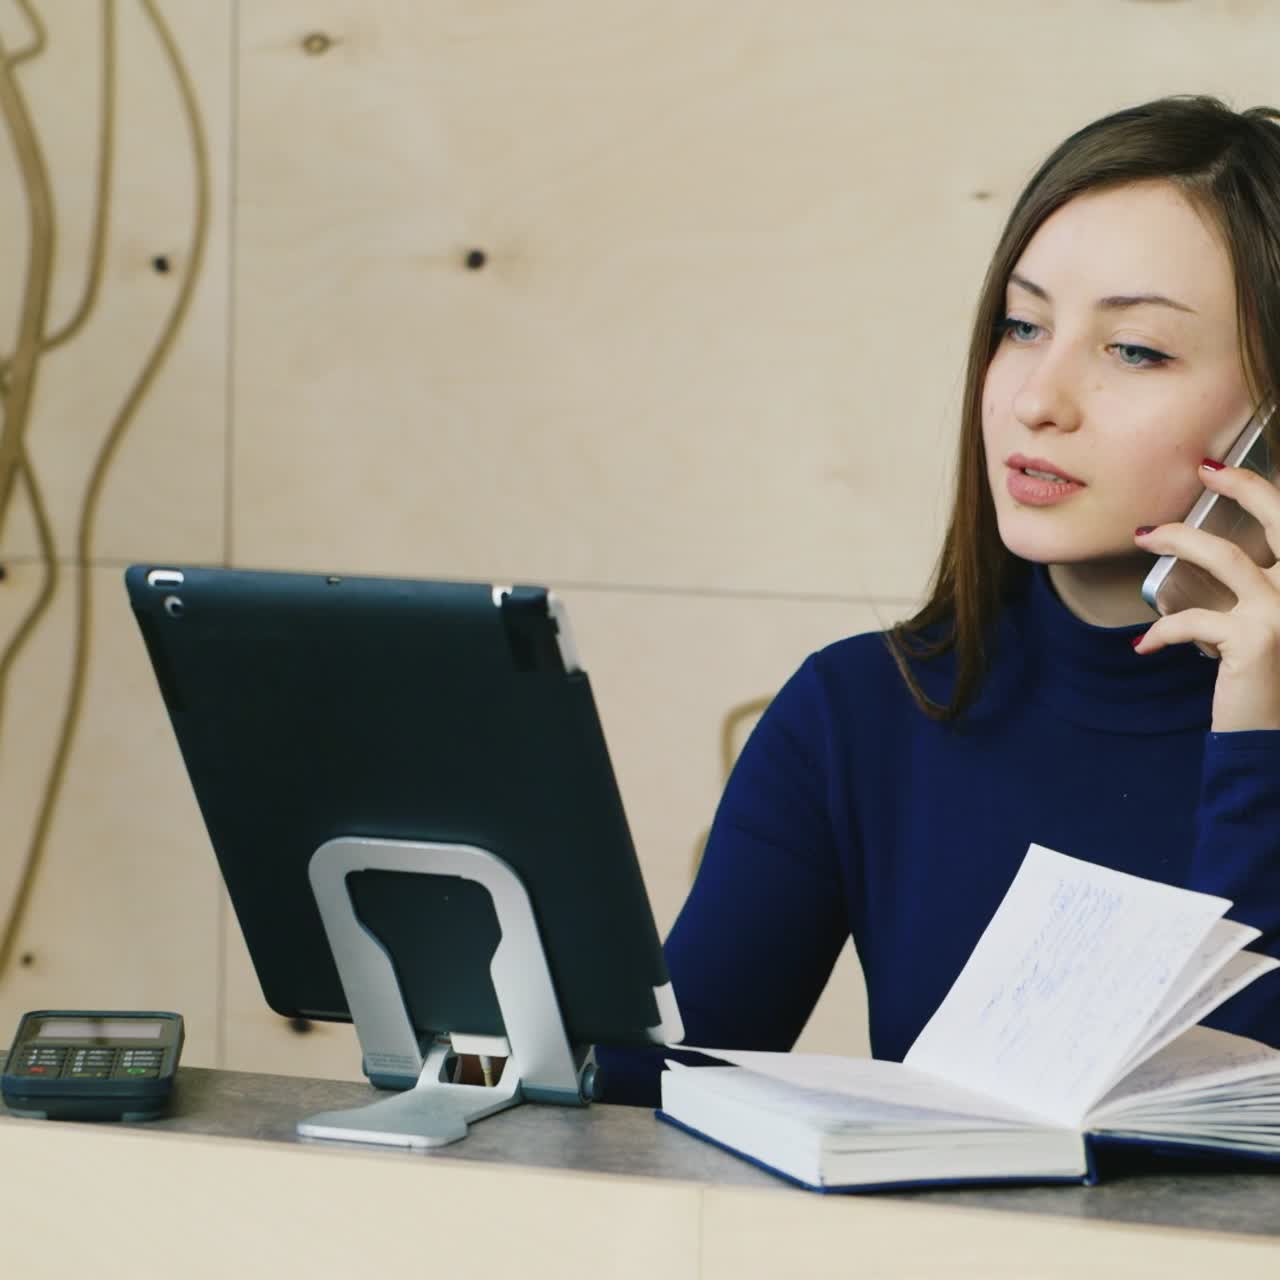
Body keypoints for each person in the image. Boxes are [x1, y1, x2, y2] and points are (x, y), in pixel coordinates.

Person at [598, 95, 1280, 1106]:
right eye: (1021, 324)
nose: (1036, 397)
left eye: (1132, 349)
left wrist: (1256, 744)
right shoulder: (858, 710)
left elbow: (1219, 1139)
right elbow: (638, 1105)